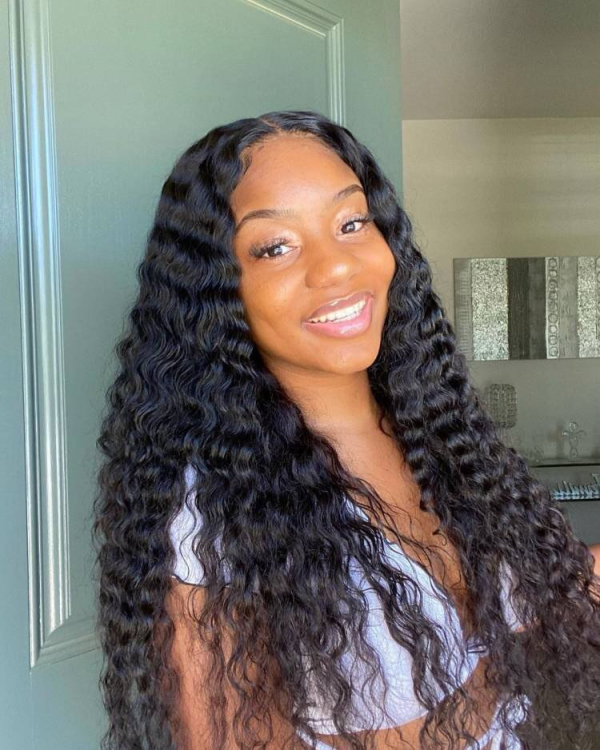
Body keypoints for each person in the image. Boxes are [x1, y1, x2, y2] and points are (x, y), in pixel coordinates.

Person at [92, 110, 600, 750]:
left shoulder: (434, 429)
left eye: (351, 222)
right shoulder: (213, 504)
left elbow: (521, 603)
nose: (336, 267)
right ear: (218, 290)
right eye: (275, 246)